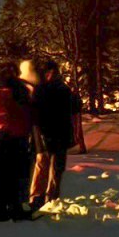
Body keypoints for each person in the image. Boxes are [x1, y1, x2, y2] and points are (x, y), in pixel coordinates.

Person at [0, 64, 33, 221]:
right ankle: (16, 207)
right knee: (18, 174)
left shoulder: (0, 95)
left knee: (1, 174)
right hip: (21, 137)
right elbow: (28, 114)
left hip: (3, 137)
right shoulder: (24, 92)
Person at [29, 60, 80, 210]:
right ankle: (40, 197)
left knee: (54, 166)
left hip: (56, 133)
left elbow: (72, 110)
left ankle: (48, 197)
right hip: (48, 133)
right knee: (45, 165)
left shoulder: (60, 89)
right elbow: (36, 113)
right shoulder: (47, 89)